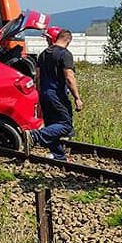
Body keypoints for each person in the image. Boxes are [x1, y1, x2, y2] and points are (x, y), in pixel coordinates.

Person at [28, 30, 83, 160]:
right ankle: (34, 136)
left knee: (52, 125)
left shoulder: (43, 55)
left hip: (44, 93)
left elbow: (38, 78)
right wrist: (77, 98)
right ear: (69, 40)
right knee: (65, 126)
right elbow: (69, 77)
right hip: (57, 95)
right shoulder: (65, 54)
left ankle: (58, 156)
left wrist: (39, 95)